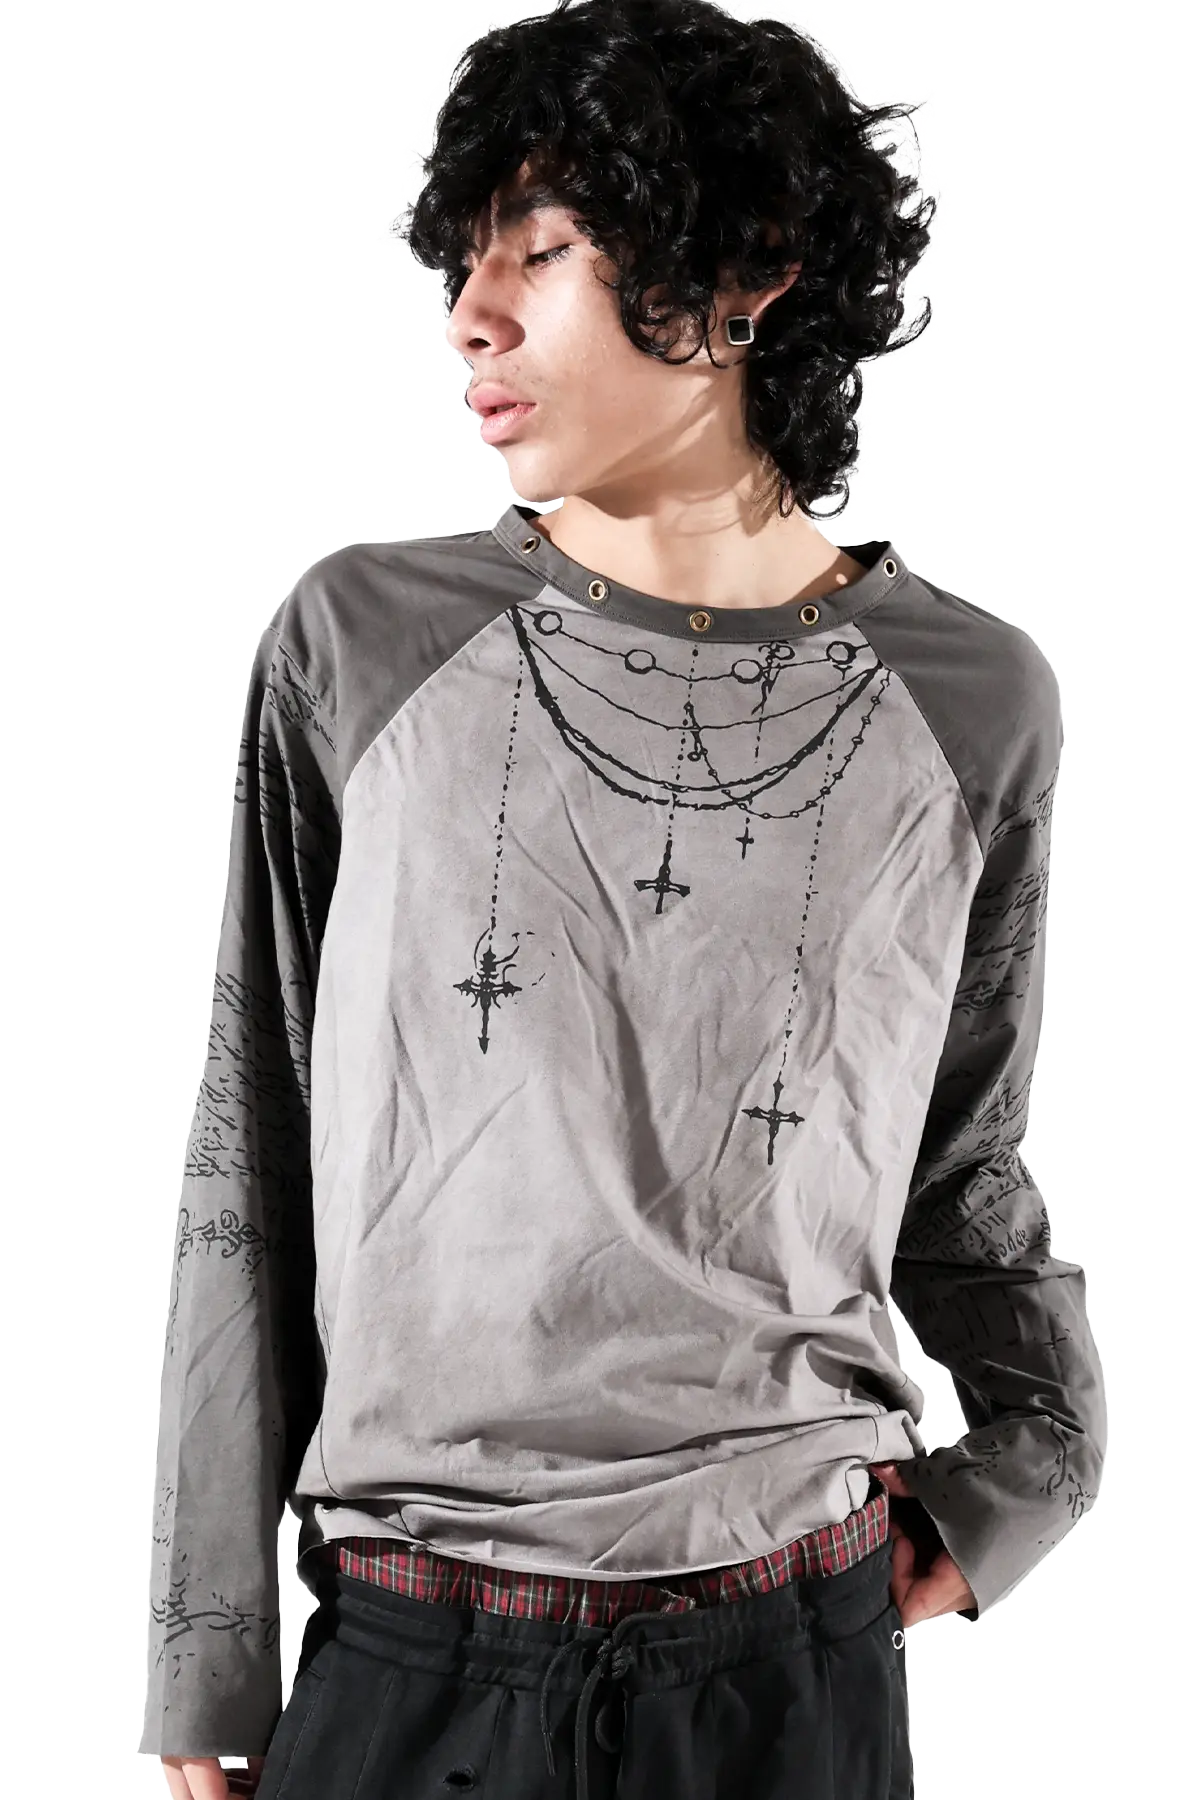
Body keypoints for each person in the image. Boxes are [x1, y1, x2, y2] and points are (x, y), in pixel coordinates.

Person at [143, 2, 1108, 1796]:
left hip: (791, 1659)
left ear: (749, 269)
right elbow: (247, 1139)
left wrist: (1036, 1465)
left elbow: (960, 1154)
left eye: (541, 248)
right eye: (461, 259)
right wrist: (207, 1656)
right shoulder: (361, 640)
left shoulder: (972, 700)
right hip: (408, 1655)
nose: (471, 314)